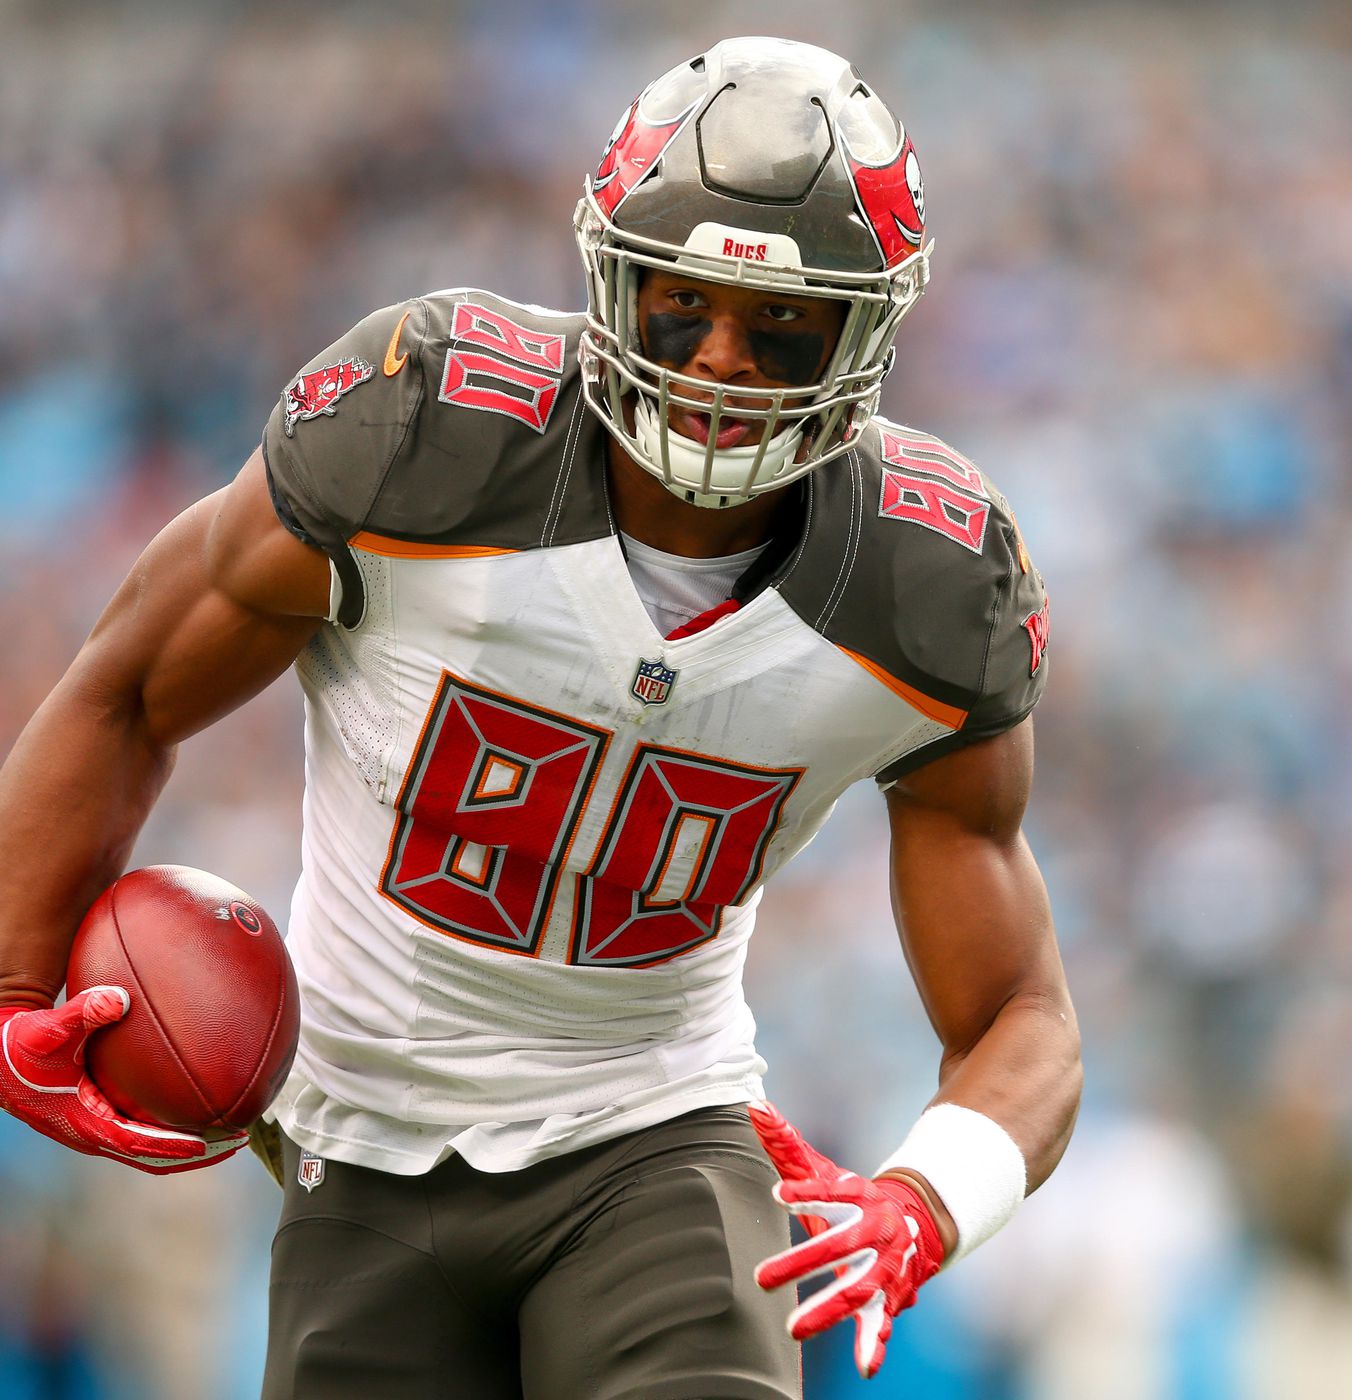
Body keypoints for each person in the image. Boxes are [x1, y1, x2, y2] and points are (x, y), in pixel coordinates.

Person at [0, 35, 1080, 1398]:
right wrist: (11, 979)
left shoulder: (923, 586)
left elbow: (1019, 1014)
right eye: (682, 304)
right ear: (610, 275)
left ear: (865, 331)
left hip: (654, 1133)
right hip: (360, 1139)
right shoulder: (429, 429)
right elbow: (128, 685)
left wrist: (929, 1196)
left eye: (785, 323)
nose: (726, 359)